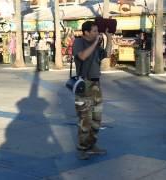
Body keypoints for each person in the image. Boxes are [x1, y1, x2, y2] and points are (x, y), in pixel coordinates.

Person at [73, 21, 108, 160]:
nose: (96, 33)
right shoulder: (79, 42)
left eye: (97, 31)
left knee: (96, 118)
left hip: (96, 84)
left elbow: (107, 55)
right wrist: (95, 43)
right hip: (84, 84)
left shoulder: (97, 44)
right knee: (84, 119)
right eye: (94, 31)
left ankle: (92, 145)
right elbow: (82, 56)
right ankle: (82, 148)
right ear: (86, 32)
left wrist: (108, 39)